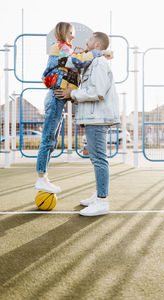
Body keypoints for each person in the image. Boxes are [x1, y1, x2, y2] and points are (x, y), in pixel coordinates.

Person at [35, 22, 112, 194]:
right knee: (48, 139)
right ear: (63, 33)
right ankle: (41, 178)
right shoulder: (60, 47)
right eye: (71, 33)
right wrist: (98, 52)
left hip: (58, 98)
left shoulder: (65, 48)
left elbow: (78, 58)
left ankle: (43, 178)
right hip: (56, 96)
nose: (73, 36)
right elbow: (76, 61)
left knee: (51, 141)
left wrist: (96, 53)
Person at [54, 32, 120, 216]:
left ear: (97, 45)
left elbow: (97, 92)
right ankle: (98, 195)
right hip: (94, 118)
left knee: (99, 159)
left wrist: (71, 95)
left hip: (98, 119)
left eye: (90, 40)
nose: (86, 42)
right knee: (96, 158)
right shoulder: (94, 62)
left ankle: (102, 201)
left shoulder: (99, 63)